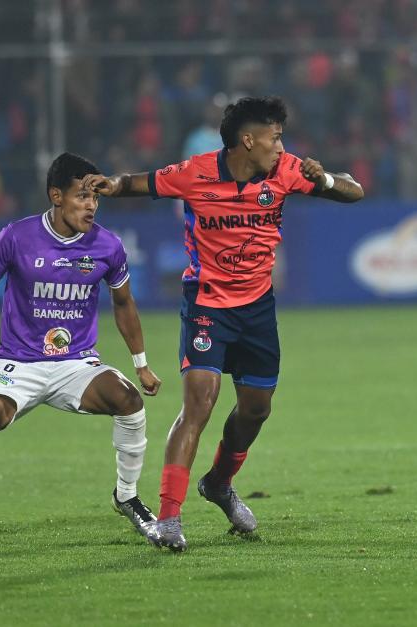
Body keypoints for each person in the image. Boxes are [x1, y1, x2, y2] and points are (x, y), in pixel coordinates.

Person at [84, 96, 364, 551]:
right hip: (207, 304)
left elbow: (354, 192)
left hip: (257, 309)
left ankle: (218, 483)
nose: (281, 145)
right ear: (247, 140)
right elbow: (142, 183)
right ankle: (169, 519)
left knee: (256, 408)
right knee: (199, 403)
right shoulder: (197, 173)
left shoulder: (289, 170)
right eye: (274, 137)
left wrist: (326, 178)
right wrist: (110, 184)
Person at [0, 152, 163, 546]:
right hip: (18, 362)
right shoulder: (16, 237)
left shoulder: (108, 246)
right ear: (56, 195)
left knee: (128, 401)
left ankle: (127, 496)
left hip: (76, 364)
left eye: (95, 198)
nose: (90, 206)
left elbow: (124, 304)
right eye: (80, 197)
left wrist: (141, 364)